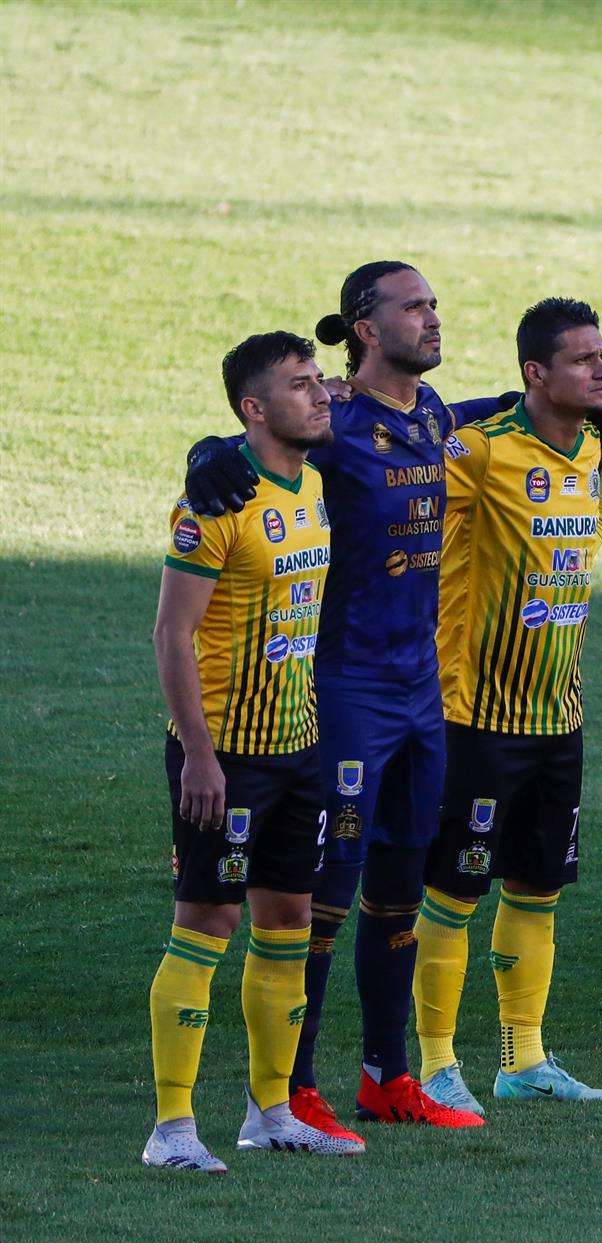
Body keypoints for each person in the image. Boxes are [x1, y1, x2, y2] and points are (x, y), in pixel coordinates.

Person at [179, 262, 516, 1134]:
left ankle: (386, 1076)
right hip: (347, 692)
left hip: (420, 693)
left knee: (401, 887)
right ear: (366, 327)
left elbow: (497, 407)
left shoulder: (431, 414)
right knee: (321, 893)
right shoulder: (333, 420)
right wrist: (205, 453)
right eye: (415, 306)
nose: (433, 317)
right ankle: (291, 1087)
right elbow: (252, 448)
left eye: (435, 303)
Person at [144, 331, 360, 1170]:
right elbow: (171, 633)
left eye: (319, 379)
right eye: (301, 385)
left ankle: (270, 1112)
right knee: (207, 922)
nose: (321, 394)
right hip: (225, 755)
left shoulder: (311, 481)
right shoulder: (214, 504)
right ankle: (171, 1129)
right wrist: (199, 756)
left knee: (288, 923)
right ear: (254, 408)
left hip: (298, 750)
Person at [410, 298, 602, 1104]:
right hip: (474, 717)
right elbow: (396, 475)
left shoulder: (596, 444)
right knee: (454, 891)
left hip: (558, 714)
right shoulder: (481, 451)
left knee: (537, 887)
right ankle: (436, 1064)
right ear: (535, 373)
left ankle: (522, 1061)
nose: (601, 371)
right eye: (582, 360)